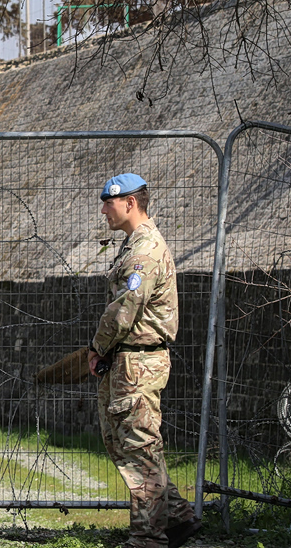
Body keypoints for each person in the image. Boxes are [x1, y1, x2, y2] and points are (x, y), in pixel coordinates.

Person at [87, 173, 203, 548]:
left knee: (138, 449)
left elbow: (125, 307)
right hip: (128, 361)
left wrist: (97, 346)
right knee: (129, 445)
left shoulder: (144, 250)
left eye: (110, 202)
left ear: (131, 203)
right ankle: (178, 519)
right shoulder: (132, 245)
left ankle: (147, 538)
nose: (104, 210)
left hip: (138, 362)